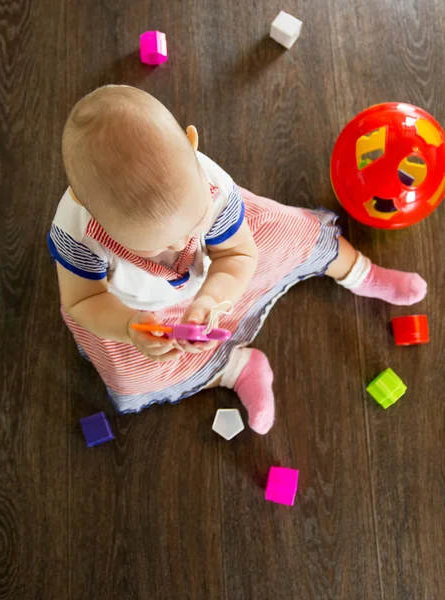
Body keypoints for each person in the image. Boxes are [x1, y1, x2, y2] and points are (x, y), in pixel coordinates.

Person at [48, 85, 427, 434]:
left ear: (191, 144)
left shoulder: (212, 187)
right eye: (154, 244)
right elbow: (84, 301)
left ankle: (358, 271)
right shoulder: (78, 237)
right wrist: (130, 327)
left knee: (293, 235)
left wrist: (213, 298)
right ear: (89, 208)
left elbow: (237, 253)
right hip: (138, 310)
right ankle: (234, 370)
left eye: (192, 223)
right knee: (136, 375)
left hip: (224, 263)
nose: (183, 241)